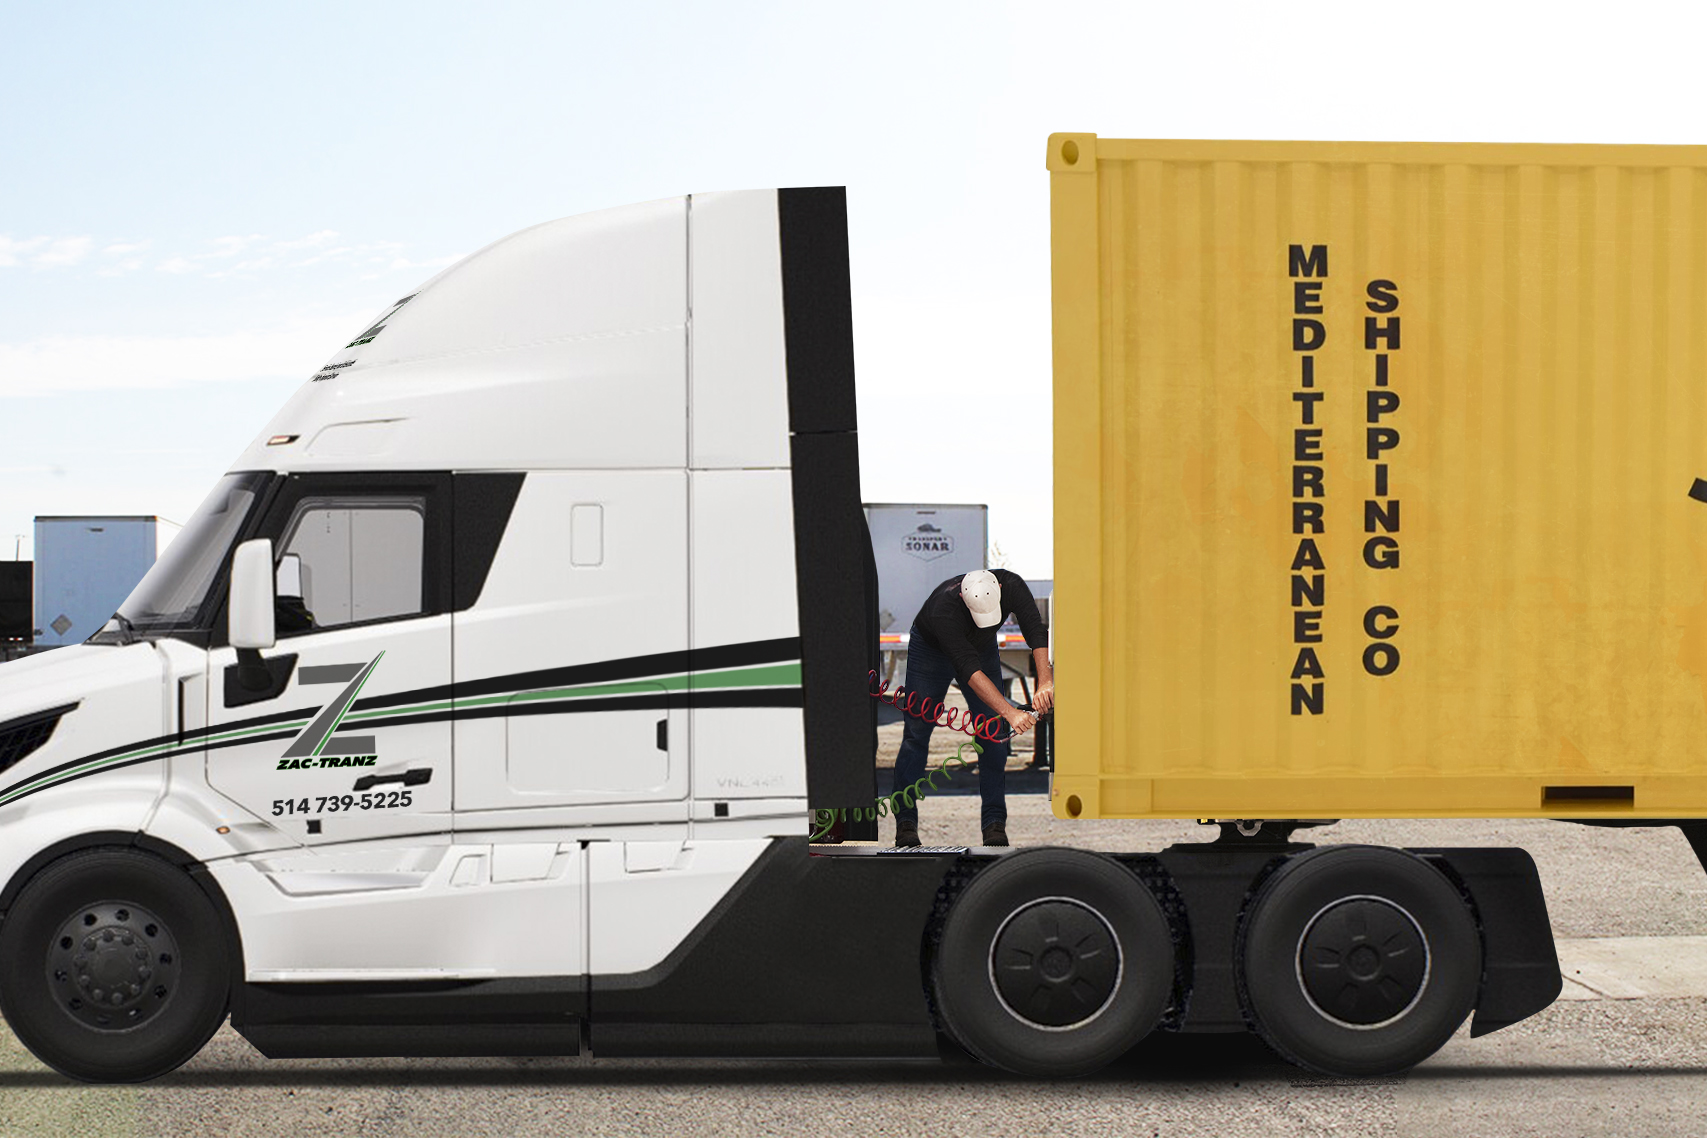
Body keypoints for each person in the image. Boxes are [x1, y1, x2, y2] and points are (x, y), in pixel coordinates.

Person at [890, 568, 1054, 847]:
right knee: (916, 733)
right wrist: (1011, 712)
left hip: (982, 647)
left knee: (992, 736)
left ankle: (994, 823)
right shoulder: (944, 610)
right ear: (965, 600)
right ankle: (906, 821)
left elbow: (1035, 631)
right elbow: (968, 669)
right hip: (931, 650)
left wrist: (1045, 682)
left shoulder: (1011, 584)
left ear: (999, 588)